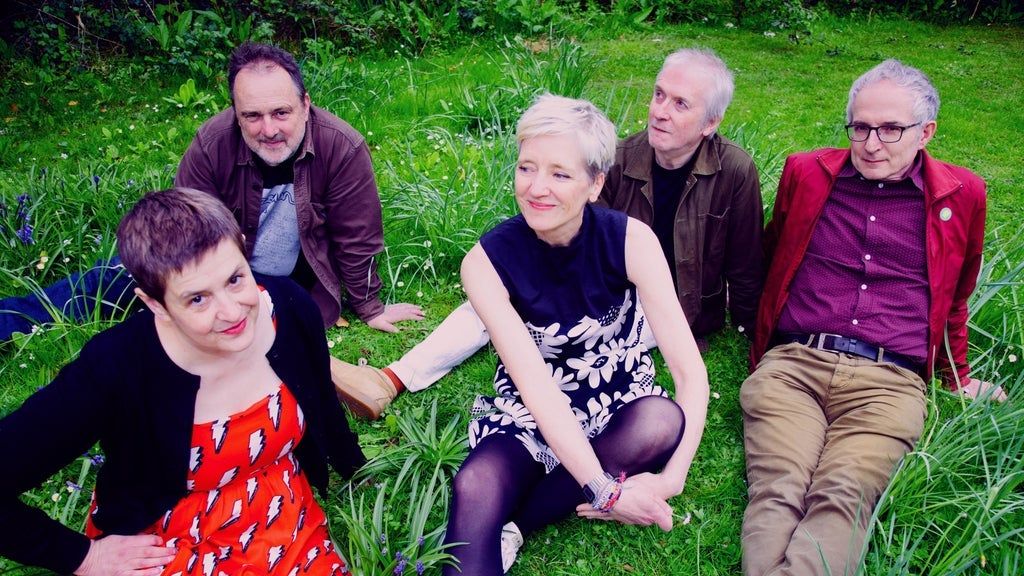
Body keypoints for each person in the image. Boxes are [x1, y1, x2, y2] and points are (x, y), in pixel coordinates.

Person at [331, 47, 762, 420]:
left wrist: (750, 338)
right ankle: (388, 379)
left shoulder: (736, 170)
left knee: (519, 310)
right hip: (606, 294)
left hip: (664, 310)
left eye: (680, 104)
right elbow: (584, 244)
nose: (660, 111)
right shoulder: (617, 158)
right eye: (658, 94)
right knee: (497, 293)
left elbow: (745, 264)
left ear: (710, 122)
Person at [0, 188, 365, 575]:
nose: (232, 312)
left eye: (235, 279)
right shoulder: (115, 368)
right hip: (169, 539)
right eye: (197, 299)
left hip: (279, 511)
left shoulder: (289, 307)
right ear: (155, 304)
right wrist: (82, 557)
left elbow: (322, 399)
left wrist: (355, 469)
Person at [740, 59, 1004, 576]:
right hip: (794, 366)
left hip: (890, 385)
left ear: (926, 132)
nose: (871, 144)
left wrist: (957, 377)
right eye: (860, 127)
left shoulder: (963, 194)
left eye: (890, 129)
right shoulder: (806, 173)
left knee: (845, 492)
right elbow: (771, 255)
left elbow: (956, 296)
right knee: (778, 485)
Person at [441, 94, 709, 575]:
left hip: (617, 400)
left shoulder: (632, 241)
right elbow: (538, 390)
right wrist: (607, 493)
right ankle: (515, 518)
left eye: (560, 174)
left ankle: (517, 524)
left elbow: (690, 375)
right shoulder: (485, 263)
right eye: (527, 168)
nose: (537, 188)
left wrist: (670, 480)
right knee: (476, 483)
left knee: (661, 420)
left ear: (595, 183)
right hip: (532, 406)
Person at [0, 41, 421, 341]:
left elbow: (356, 235)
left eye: (281, 112)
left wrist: (369, 307)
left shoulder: (341, 146)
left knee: (260, 325)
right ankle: (11, 321)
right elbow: (185, 232)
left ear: (306, 104)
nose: (269, 129)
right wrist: (189, 293)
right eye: (252, 116)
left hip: (287, 282)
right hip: (211, 269)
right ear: (235, 113)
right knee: (113, 279)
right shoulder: (212, 143)